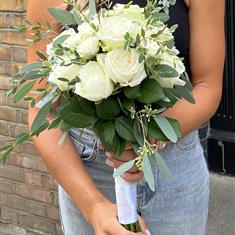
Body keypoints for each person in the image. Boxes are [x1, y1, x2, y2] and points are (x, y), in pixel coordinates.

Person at [27, 0, 225, 234]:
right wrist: (94, 207)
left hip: (174, 164)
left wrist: (143, 135)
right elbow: (43, 111)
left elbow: (208, 86)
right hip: (89, 170)